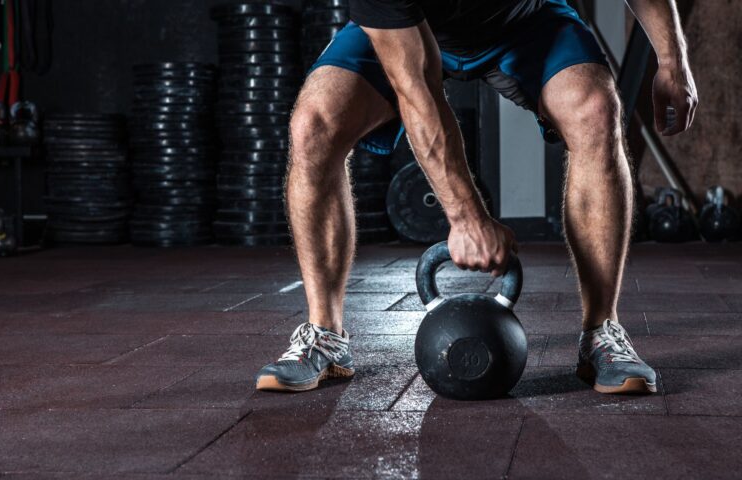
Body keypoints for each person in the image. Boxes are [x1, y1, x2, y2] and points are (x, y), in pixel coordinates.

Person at [255, 0, 698, 394]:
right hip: (413, 28)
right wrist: (466, 218)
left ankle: (602, 331)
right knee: (313, 125)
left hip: (525, 16)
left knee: (596, 110)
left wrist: (672, 59)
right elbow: (416, 87)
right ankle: (325, 336)